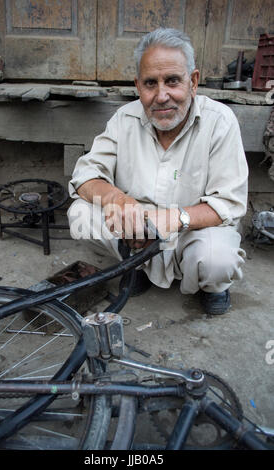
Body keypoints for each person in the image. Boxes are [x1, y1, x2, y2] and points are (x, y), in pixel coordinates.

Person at [67, 27, 248, 315]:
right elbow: (85, 176)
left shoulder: (220, 122)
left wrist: (174, 218)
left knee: (217, 260)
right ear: (138, 87)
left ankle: (212, 286)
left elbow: (229, 203)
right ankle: (136, 264)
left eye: (173, 81)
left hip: (193, 229)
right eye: (151, 83)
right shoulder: (124, 119)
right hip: (136, 231)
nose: (161, 96)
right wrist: (120, 202)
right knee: (80, 212)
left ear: (194, 82)